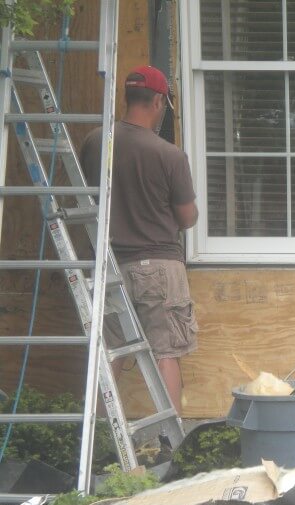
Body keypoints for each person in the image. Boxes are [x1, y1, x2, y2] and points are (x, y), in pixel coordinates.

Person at [80, 65, 198, 413]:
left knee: (112, 350)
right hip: (158, 267)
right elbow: (186, 217)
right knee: (167, 351)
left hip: (110, 264)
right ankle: (170, 441)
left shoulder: (94, 142)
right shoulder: (169, 155)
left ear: (128, 97)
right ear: (158, 101)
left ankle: (100, 439)